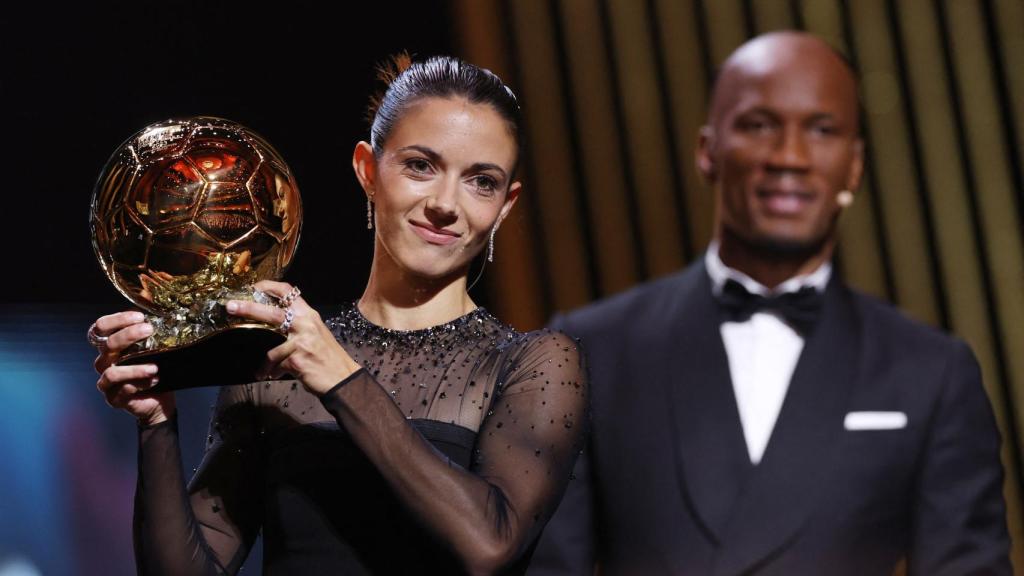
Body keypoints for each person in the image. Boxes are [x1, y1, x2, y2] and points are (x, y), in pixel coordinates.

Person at [528, 31, 1011, 576]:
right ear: (708, 151)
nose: (789, 157)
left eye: (822, 130)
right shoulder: (585, 353)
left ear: (854, 165)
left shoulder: (931, 373)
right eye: (759, 125)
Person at [89, 55, 588, 575]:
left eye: (480, 181)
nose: (445, 203)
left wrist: (342, 379)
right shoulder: (280, 359)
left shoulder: (535, 364)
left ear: (506, 205)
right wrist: (156, 423)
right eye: (420, 166)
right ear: (368, 170)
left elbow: (490, 546)